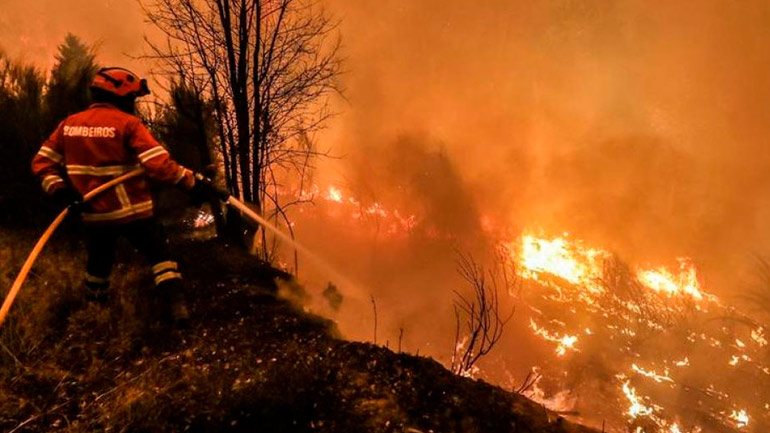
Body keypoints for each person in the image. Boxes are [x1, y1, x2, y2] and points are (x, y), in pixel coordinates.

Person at [31, 66, 220, 326]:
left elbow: (42, 163)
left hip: (94, 213)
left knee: (98, 264)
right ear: (119, 96)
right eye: (132, 98)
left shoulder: (69, 124)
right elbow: (159, 166)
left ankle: (95, 316)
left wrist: (61, 191)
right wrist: (192, 184)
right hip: (133, 212)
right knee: (160, 255)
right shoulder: (128, 124)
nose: (133, 104)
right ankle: (177, 308)